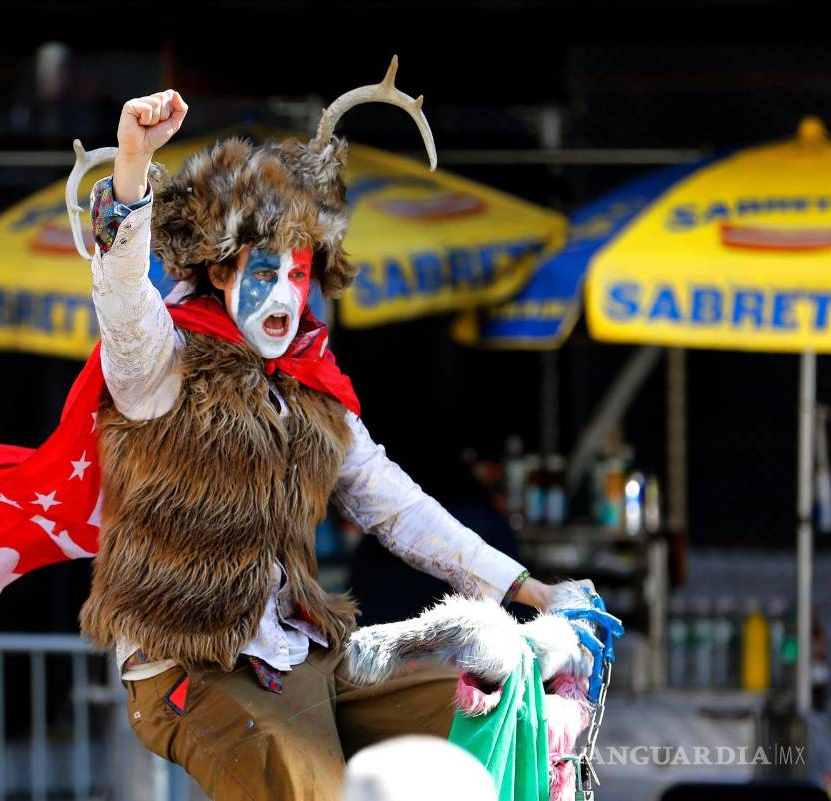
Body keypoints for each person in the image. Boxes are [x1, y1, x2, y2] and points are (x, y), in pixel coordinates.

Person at [80, 87, 600, 801]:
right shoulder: (160, 364)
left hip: (301, 657)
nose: (285, 295)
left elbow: (399, 508)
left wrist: (528, 589)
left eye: (298, 274)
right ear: (222, 272)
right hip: (191, 667)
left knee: (488, 705)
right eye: (265, 272)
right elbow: (120, 295)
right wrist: (133, 166)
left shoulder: (314, 387)